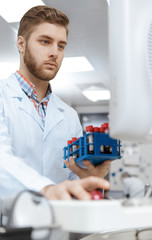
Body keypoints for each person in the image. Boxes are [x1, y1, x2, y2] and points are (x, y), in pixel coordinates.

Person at [0, 5, 111, 201]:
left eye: (61, 45)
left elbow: (72, 183)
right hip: (7, 225)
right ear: (21, 44)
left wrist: (90, 180)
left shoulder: (68, 115)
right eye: (45, 41)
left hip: (57, 226)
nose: (54, 52)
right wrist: (46, 189)